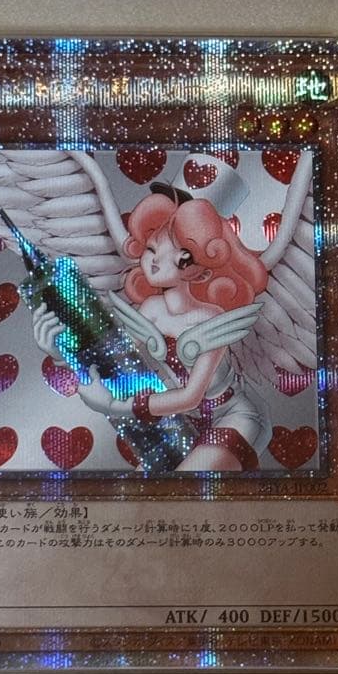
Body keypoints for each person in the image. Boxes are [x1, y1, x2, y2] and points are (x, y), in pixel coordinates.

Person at [33, 187, 272, 472]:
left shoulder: (210, 319)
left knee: (178, 490)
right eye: (152, 248)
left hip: (234, 417)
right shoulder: (149, 310)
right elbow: (114, 363)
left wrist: (114, 405)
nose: (157, 260)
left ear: (204, 272)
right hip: (182, 424)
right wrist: (61, 352)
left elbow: (190, 397)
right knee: (141, 495)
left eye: (182, 257)